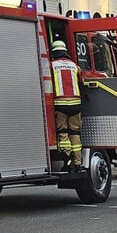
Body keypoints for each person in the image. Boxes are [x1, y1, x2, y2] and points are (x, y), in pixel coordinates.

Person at [50, 39, 83, 170]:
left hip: (60, 104)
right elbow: (80, 82)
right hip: (76, 104)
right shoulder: (75, 66)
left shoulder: (51, 65)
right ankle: (78, 163)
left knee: (63, 132)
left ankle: (67, 161)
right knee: (75, 133)